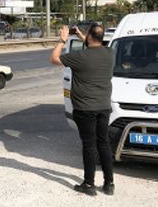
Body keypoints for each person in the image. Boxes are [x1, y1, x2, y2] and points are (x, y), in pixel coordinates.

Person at [50, 24, 115, 196]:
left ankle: (89, 184)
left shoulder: (80, 56)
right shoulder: (110, 53)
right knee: (104, 143)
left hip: (85, 108)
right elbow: (94, 44)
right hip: (103, 106)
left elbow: (54, 58)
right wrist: (81, 35)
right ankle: (109, 184)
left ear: (89, 38)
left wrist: (62, 40)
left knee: (89, 145)